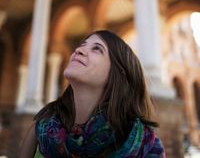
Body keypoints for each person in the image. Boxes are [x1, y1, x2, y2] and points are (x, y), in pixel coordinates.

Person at [20, 30, 166, 157]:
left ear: (117, 74)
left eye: (97, 49)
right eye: (82, 45)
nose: (78, 50)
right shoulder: (39, 132)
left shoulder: (144, 144)